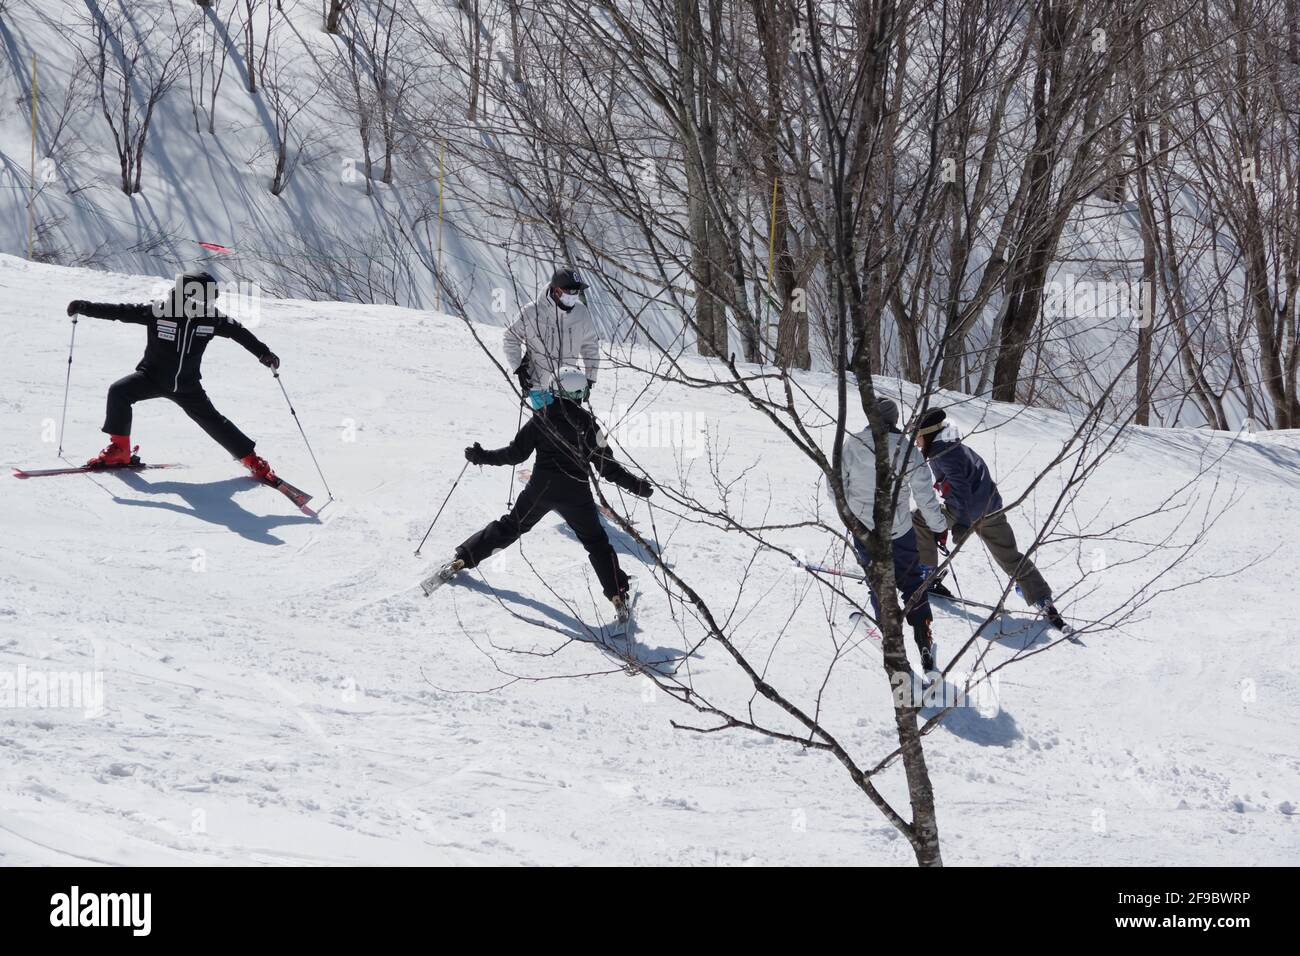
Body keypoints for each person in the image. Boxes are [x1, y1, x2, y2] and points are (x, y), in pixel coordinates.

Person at [432, 366, 653, 616]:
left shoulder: (541, 418)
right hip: (576, 495)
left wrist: (481, 456)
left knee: (510, 526)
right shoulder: (588, 424)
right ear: (580, 394)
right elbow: (607, 467)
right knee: (597, 543)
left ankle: (463, 558)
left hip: (540, 490)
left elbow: (514, 454)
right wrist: (637, 485)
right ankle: (617, 595)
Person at [66, 272, 281, 480]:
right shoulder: (159, 311)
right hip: (151, 377)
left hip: (187, 386)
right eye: (204, 302)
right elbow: (120, 311)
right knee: (119, 392)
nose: (208, 307)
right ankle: (120, 450)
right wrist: (85, 307)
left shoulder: (211, 319)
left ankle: (251, 459)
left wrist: (264, 353)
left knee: (214, 421)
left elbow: (239, 333)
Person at [911, 407, 1069, 630]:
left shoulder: (942, 452)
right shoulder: (954, 445)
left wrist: (962, 523)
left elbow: (961, 487)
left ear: (927, 434)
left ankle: (926, 574)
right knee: (1009, 555)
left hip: (965, 510)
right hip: (990, 508)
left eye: (917, 436)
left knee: (919, 518)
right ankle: (1041, 597)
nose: (916, 442)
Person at [841, 397, 948, 673]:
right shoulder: (906, 448)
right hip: (900, 530)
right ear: (894, 419)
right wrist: (938, 526)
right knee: (913, 583)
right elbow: (925, 494)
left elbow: (836, 487)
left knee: (879, 584)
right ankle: (923, 637)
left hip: (865, 531)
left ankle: (892, 644)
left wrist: (852, 517)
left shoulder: (853, 444)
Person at [504, 267, 599, 409]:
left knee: (569, 430)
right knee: (548, 427)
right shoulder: (532, 312)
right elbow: (510, 337)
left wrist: (590, 376)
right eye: (569, 290)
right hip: (539, 385)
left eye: (576, 291)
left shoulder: (581, 312)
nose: (573, 295)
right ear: (556, 290)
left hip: (570, 387)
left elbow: (590, 345)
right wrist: (518, 367)